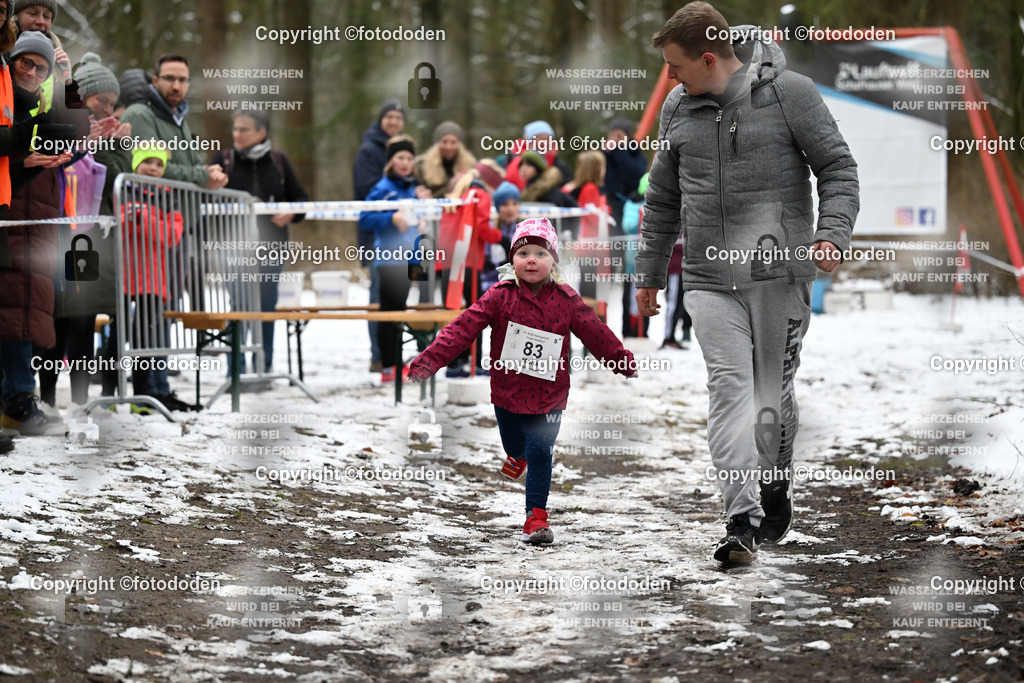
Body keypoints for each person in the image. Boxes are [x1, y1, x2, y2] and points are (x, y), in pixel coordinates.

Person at [636, 2, 858, 565]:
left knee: (770, 397)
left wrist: (831, 235)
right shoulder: (677, 107)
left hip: (777, 275)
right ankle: (740, 519)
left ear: (709, 58)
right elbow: (661, 199)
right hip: (708, 279)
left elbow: (838, 168)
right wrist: (649, 273)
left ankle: (775, 478)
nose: (670, 76)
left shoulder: (791, 94)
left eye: (676, 65)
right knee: (729, 388)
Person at [408, 218, 637, 545]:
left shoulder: (567, 299)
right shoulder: (499, 296)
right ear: (512, 259)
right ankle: (517, 455)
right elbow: (462, 328)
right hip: (509, 393)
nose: (532, 260)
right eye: (524, 253)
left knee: (541, 450)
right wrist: (428, 361)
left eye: (541, 254)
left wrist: (621, 360)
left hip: (550, 395)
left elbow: (595, 332)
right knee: (515, 446)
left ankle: (536, 518)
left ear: (553, 261)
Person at [0, 29, 75, 436]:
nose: (31, 72)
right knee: (13, 311)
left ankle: (19, 399)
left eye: (40, 68)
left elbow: (76, 134)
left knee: (26, 313)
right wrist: (22, 161)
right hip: (11, 219)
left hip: (37, 220)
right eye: (25, 62)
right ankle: (18, 398)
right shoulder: (7, 102)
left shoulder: (41, 103)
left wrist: (68, 81)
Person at [211, 108, 308, 376]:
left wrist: (291, 212)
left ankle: (263, 367)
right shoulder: (223, 160)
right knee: (239, 305)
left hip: (271, 247)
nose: (237, 134)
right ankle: (236, 370)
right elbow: (205, 199)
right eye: (235, 129)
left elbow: (301, 199)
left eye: (244, 129)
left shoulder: (278, 160)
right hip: (232, 247)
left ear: (261, 132)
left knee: (266, 306)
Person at [119, 143, 187, 412]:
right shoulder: (122, 189)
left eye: (159, 164)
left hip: (153, 280)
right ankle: (110, 393)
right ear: (136, 163)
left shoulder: (169, 197)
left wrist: (143, 217)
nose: (153, 168)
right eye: (147, 161)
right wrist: (140, 219)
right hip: (124, 276)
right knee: (118, 336)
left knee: (144, 337)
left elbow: (171, 236)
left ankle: (143, 394)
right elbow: (118, 227)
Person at [358, 135, 423, 383]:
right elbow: (365, 218)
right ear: (390, 161)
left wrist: (421, 219)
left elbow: (414, 220)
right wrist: (390, 218)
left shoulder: (413, 189)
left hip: (410, 259)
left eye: (409, 158)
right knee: (388, 313)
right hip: (389, 259)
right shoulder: (383, 188)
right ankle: (387, 367)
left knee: (400, 312)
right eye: (400, 157)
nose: (405, 163)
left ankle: (396, 362)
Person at [435, 159, 504, 377]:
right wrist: (501, 238)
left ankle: (454, 363)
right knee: (475, 314)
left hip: (446, 262)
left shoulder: (457, 195)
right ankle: (474, 361)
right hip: (467, 261)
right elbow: (482, 227)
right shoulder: (479, 195)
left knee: (453, 313)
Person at [353, 98, 406, 373]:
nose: (393, 121)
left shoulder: (403, 150)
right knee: (379, 297)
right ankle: (379, 356)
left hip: (403, 240)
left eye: (398, 117)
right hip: (376, 236)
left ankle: (393, 355)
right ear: (381, 120)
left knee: (397, 298)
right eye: (389, 117)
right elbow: (367, 192)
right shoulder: (369, 150)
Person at [562, 151, 609, 302]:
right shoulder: (590, 188)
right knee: (589, 288)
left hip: (580, 244)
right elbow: (594, 217)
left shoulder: (574, 187)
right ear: (596, 168)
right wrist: (606, 211)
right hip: (589, 245)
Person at [414, 120, 476, 198]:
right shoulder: (422, 166)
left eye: (453, 142)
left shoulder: (470, 165)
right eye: (444, 142)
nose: (448, 147)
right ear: (437, 143)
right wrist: (450, 187)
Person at [504, 121, 572, 191]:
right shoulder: (518, 163)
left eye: (547, 139)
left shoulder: (560, 165)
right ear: (530, 141)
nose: (544, 142)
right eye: (540, 138)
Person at [481, 180, 521, 291]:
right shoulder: (490, 229)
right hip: (490, 284)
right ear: (498, 207)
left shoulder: (524, 229)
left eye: (514, 203)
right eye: (505, 204)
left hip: (517, 284)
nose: (510, 209)